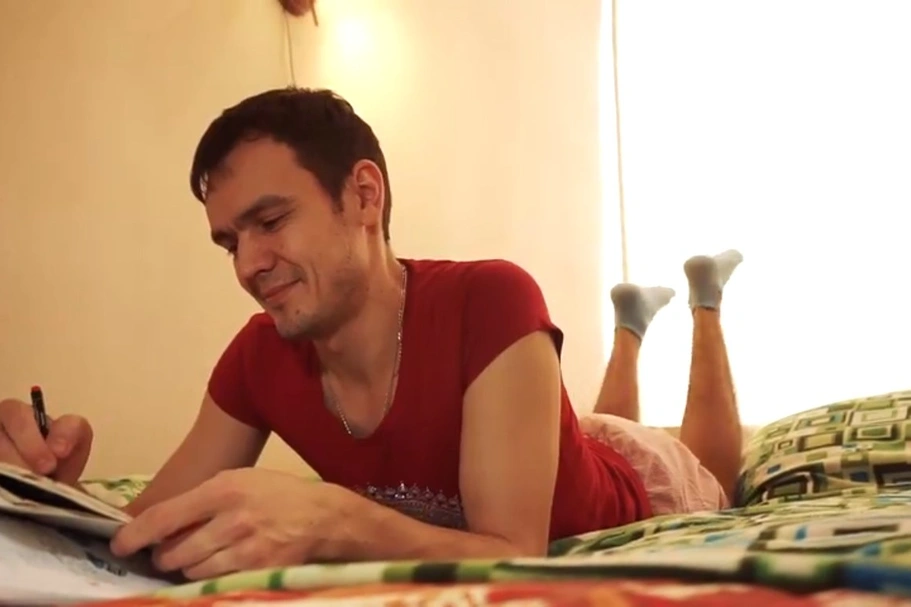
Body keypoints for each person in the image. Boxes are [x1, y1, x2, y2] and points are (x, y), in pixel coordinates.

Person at [0, 88, 743, 581]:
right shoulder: (257, 356)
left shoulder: (491, 297)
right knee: (588, 422)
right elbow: (139, 534)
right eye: (230, 242)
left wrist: (333, 518)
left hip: (632, 481)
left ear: (363, 195)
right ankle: (630, 323)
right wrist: (52, 492)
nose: (249, 265)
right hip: (555, 434)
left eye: (270, 221)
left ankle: (703, 303)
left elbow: (513, 552)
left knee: (707, 467)